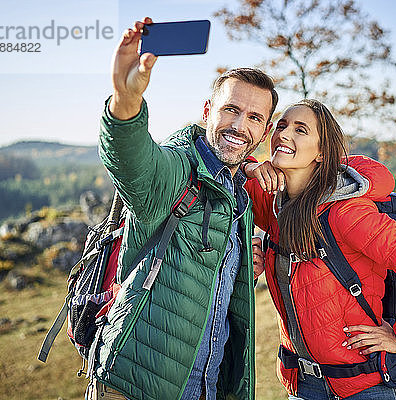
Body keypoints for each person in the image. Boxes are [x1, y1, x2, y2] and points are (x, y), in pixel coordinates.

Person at [85, 17, 275, 400]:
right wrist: (125, 101)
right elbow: (132, 159)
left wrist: (236, 268)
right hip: (136, 385)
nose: (240, 126)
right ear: (207, 111)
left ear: (265, 131)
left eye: (254, 117)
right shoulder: (176, 170)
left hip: (206, 387)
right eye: (230, 110)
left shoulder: (239, 193)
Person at [242, 99, 396, 399]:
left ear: (321, 153)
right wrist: (251, 167)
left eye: (301, 129)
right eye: (281, 125)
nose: (285, 134)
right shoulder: (273, 205)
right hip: (303, 387)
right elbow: (223, 163)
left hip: (366, 388)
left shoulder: (346, 214)